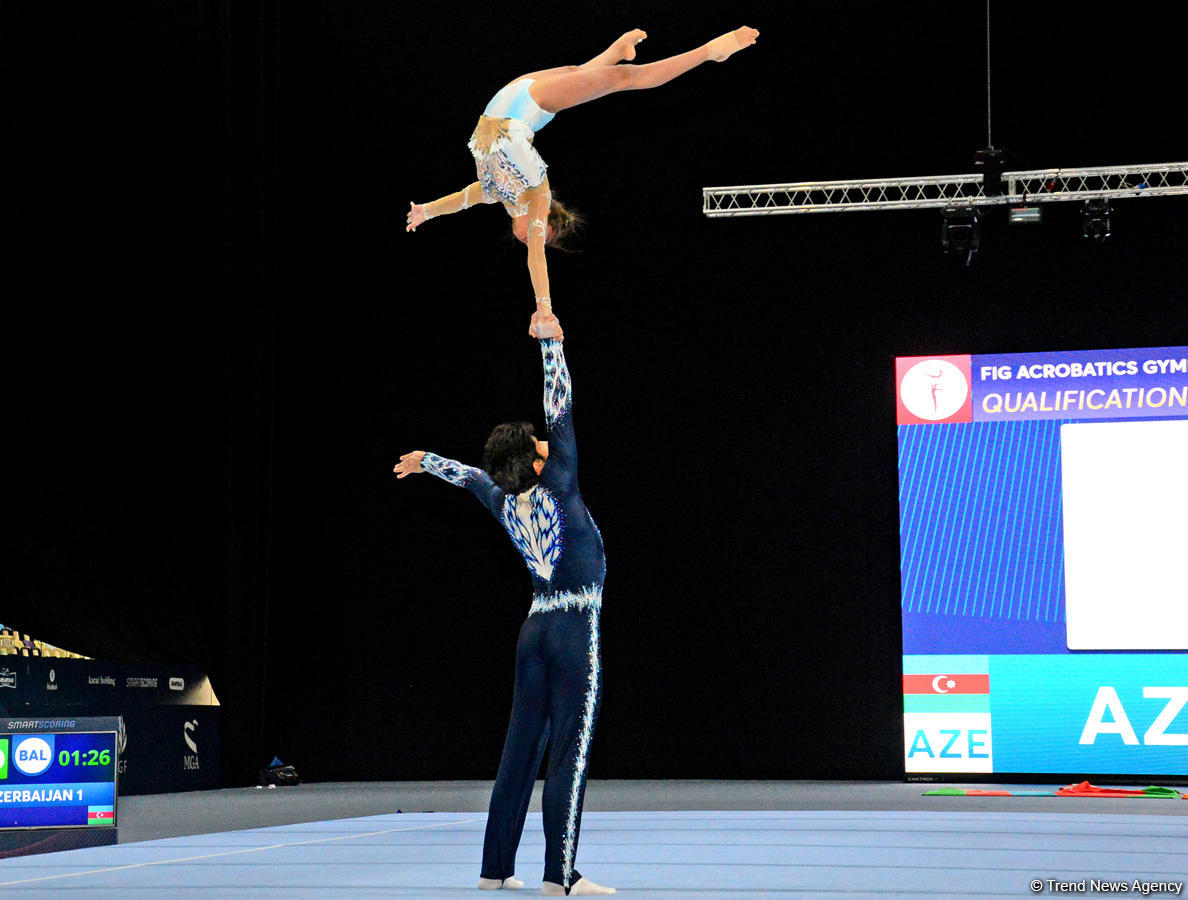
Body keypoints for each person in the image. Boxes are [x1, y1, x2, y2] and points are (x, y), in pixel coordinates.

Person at [394, 308, 616, 895]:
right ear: (539, 461)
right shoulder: (560, 478)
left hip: (533, 632)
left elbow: (467, 475)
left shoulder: (501, 497)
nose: (547, 440)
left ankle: (494, 870)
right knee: (568, 754)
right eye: (540, 443)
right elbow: (559, 405)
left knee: (519, 753)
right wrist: (551, 343)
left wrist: (424, 462)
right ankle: (559, 877)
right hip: (573, 628)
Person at [405, 26, 759, 308]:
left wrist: (426, 212)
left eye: (535, 238)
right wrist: (544, 309)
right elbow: (536, 261)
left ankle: (615, 50)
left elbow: (461, 199)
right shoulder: (537, 197)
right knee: (626, 78)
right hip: (522, 110)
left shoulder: (497, 193)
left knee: (576, 72)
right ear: (547, 218)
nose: (533, 239)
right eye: (542, 235)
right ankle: (712, 51)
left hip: (506, 101)